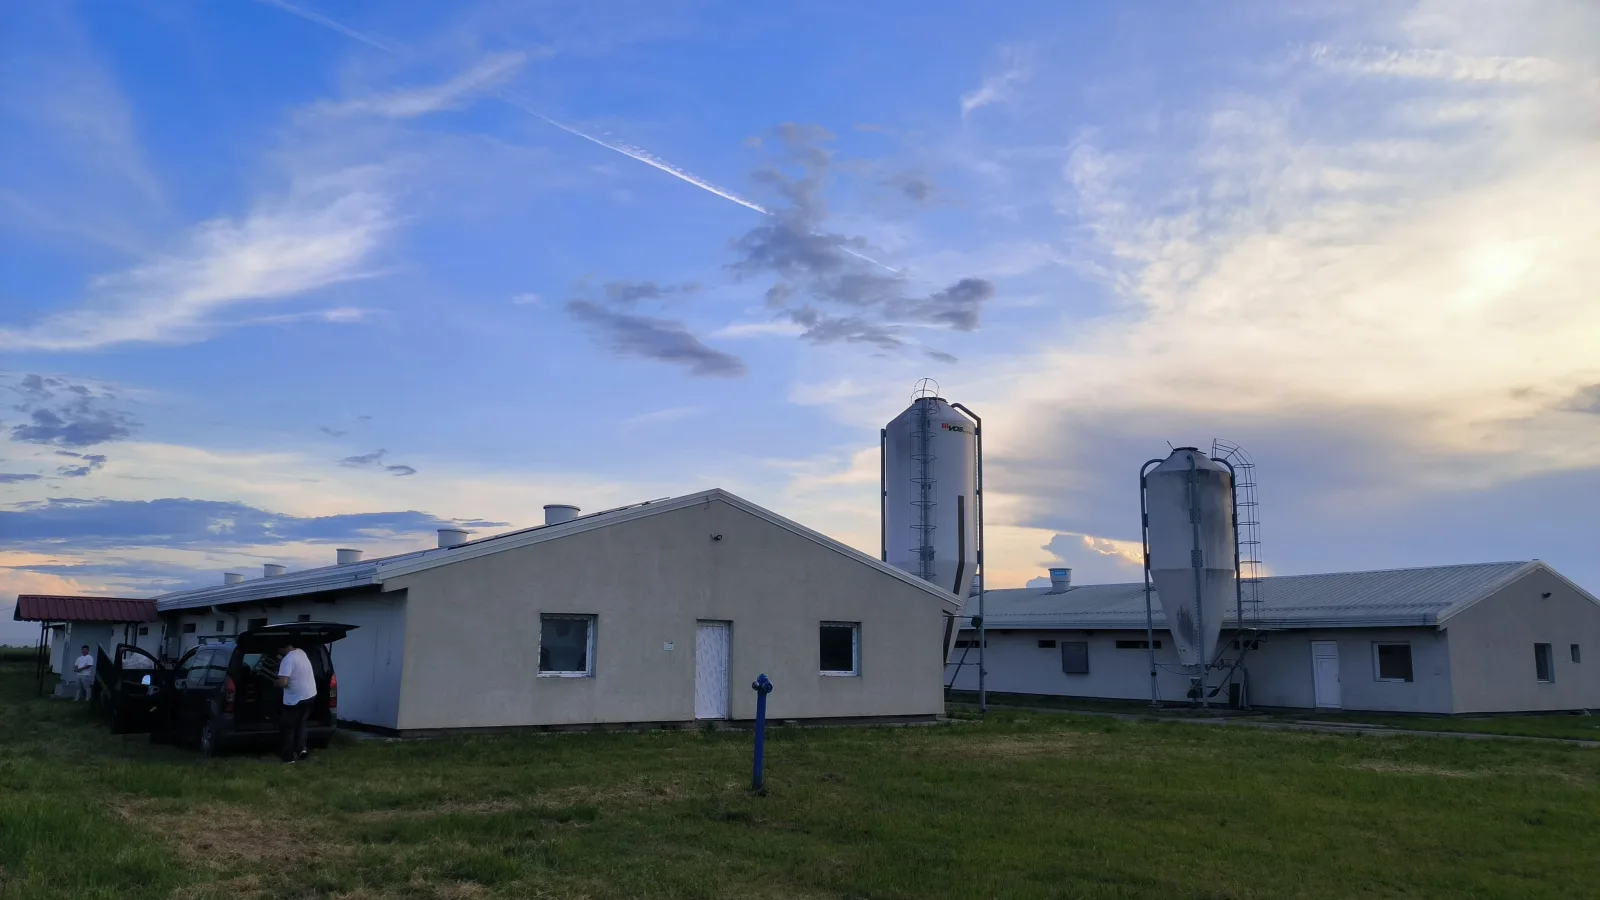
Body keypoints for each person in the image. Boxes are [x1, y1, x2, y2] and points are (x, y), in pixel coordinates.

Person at [274, 638, 316, 764]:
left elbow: (283, 682)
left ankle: (288, 758)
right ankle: (301, 749)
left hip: (294, 700)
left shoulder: (287, 660)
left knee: (288, 728)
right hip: (309, 695)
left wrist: (275, 682)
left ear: (282, 648)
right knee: (301, 723)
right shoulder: (301, 653)